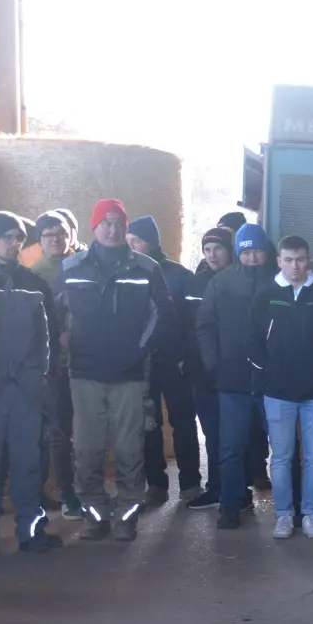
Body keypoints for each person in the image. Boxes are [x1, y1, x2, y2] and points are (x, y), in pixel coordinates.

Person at [53, 198, 171, 541]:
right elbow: (51, 312)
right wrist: (63, 341)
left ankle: (127, 517)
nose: (112, 228)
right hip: (84, 374)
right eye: (105, 223)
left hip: (130, 375)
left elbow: (162, 315)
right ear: (93, 227)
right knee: (87, 450)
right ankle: (94, 515)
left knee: (129, 450)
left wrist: (140, 350)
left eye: (119, 222)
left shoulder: (147, 269)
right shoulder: (71, 268)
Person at [0, 211, 62, 558]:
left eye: (18, 238)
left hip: (26, 388)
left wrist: (42, 377)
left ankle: (30, 532)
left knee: (28, 463)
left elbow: (47, 334)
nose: (14, 243)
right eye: (6, 237)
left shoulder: (34, 283)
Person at [248, 235, 313, 539]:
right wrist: (268, 373)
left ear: (309, 259)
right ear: (278, 261)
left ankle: (311, 514)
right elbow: (252, 342)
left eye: (300, 259)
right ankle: (284, 515)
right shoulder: (265, 295)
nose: (294, 266)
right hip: (277, 392)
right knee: (280, 456)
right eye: (288, 260)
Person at [196, 223, 275, 529]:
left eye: (257, 251)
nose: (252, 258)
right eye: (246, 252)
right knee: (230, 447)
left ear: (267, 253)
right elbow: (204, 324)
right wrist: (213, 361)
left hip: (272, 382)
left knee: (282, 450)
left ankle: (289, 509)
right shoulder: (222, 283)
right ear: (238, 253)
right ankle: (231, 504)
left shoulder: (278, 282)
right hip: (232, 381)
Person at [127, 215, 202, 504]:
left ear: (153, 242)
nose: (133, 246)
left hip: (175, 362)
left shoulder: (180, 275)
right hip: (144, 362)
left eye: (138, 240)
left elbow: (194, 322)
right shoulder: (130, 273)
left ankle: (191, 483)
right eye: (129, 240)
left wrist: (185, 356)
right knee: (149, 425)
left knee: (183, 422)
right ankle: (156, 484)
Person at [31, 210, 83, 521]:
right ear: (39, 241)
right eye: (48, 235)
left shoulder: (81, 266)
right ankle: (68, 494)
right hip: (56, 366)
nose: (55, 239)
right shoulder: (35, 275)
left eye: (60, 234)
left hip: (87, 360)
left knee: (88, 430)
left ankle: (90, 489)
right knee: (60, 431)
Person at [185, 225, 234, 511]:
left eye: (218, 248)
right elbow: (189, 326)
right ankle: (216, 488)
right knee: (213, 435)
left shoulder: (240, 281)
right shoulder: (196, 283)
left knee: (234, 436)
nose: (213, 255)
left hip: (235, 372)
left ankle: (237, 491)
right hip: (204, 372)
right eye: (207, 249)